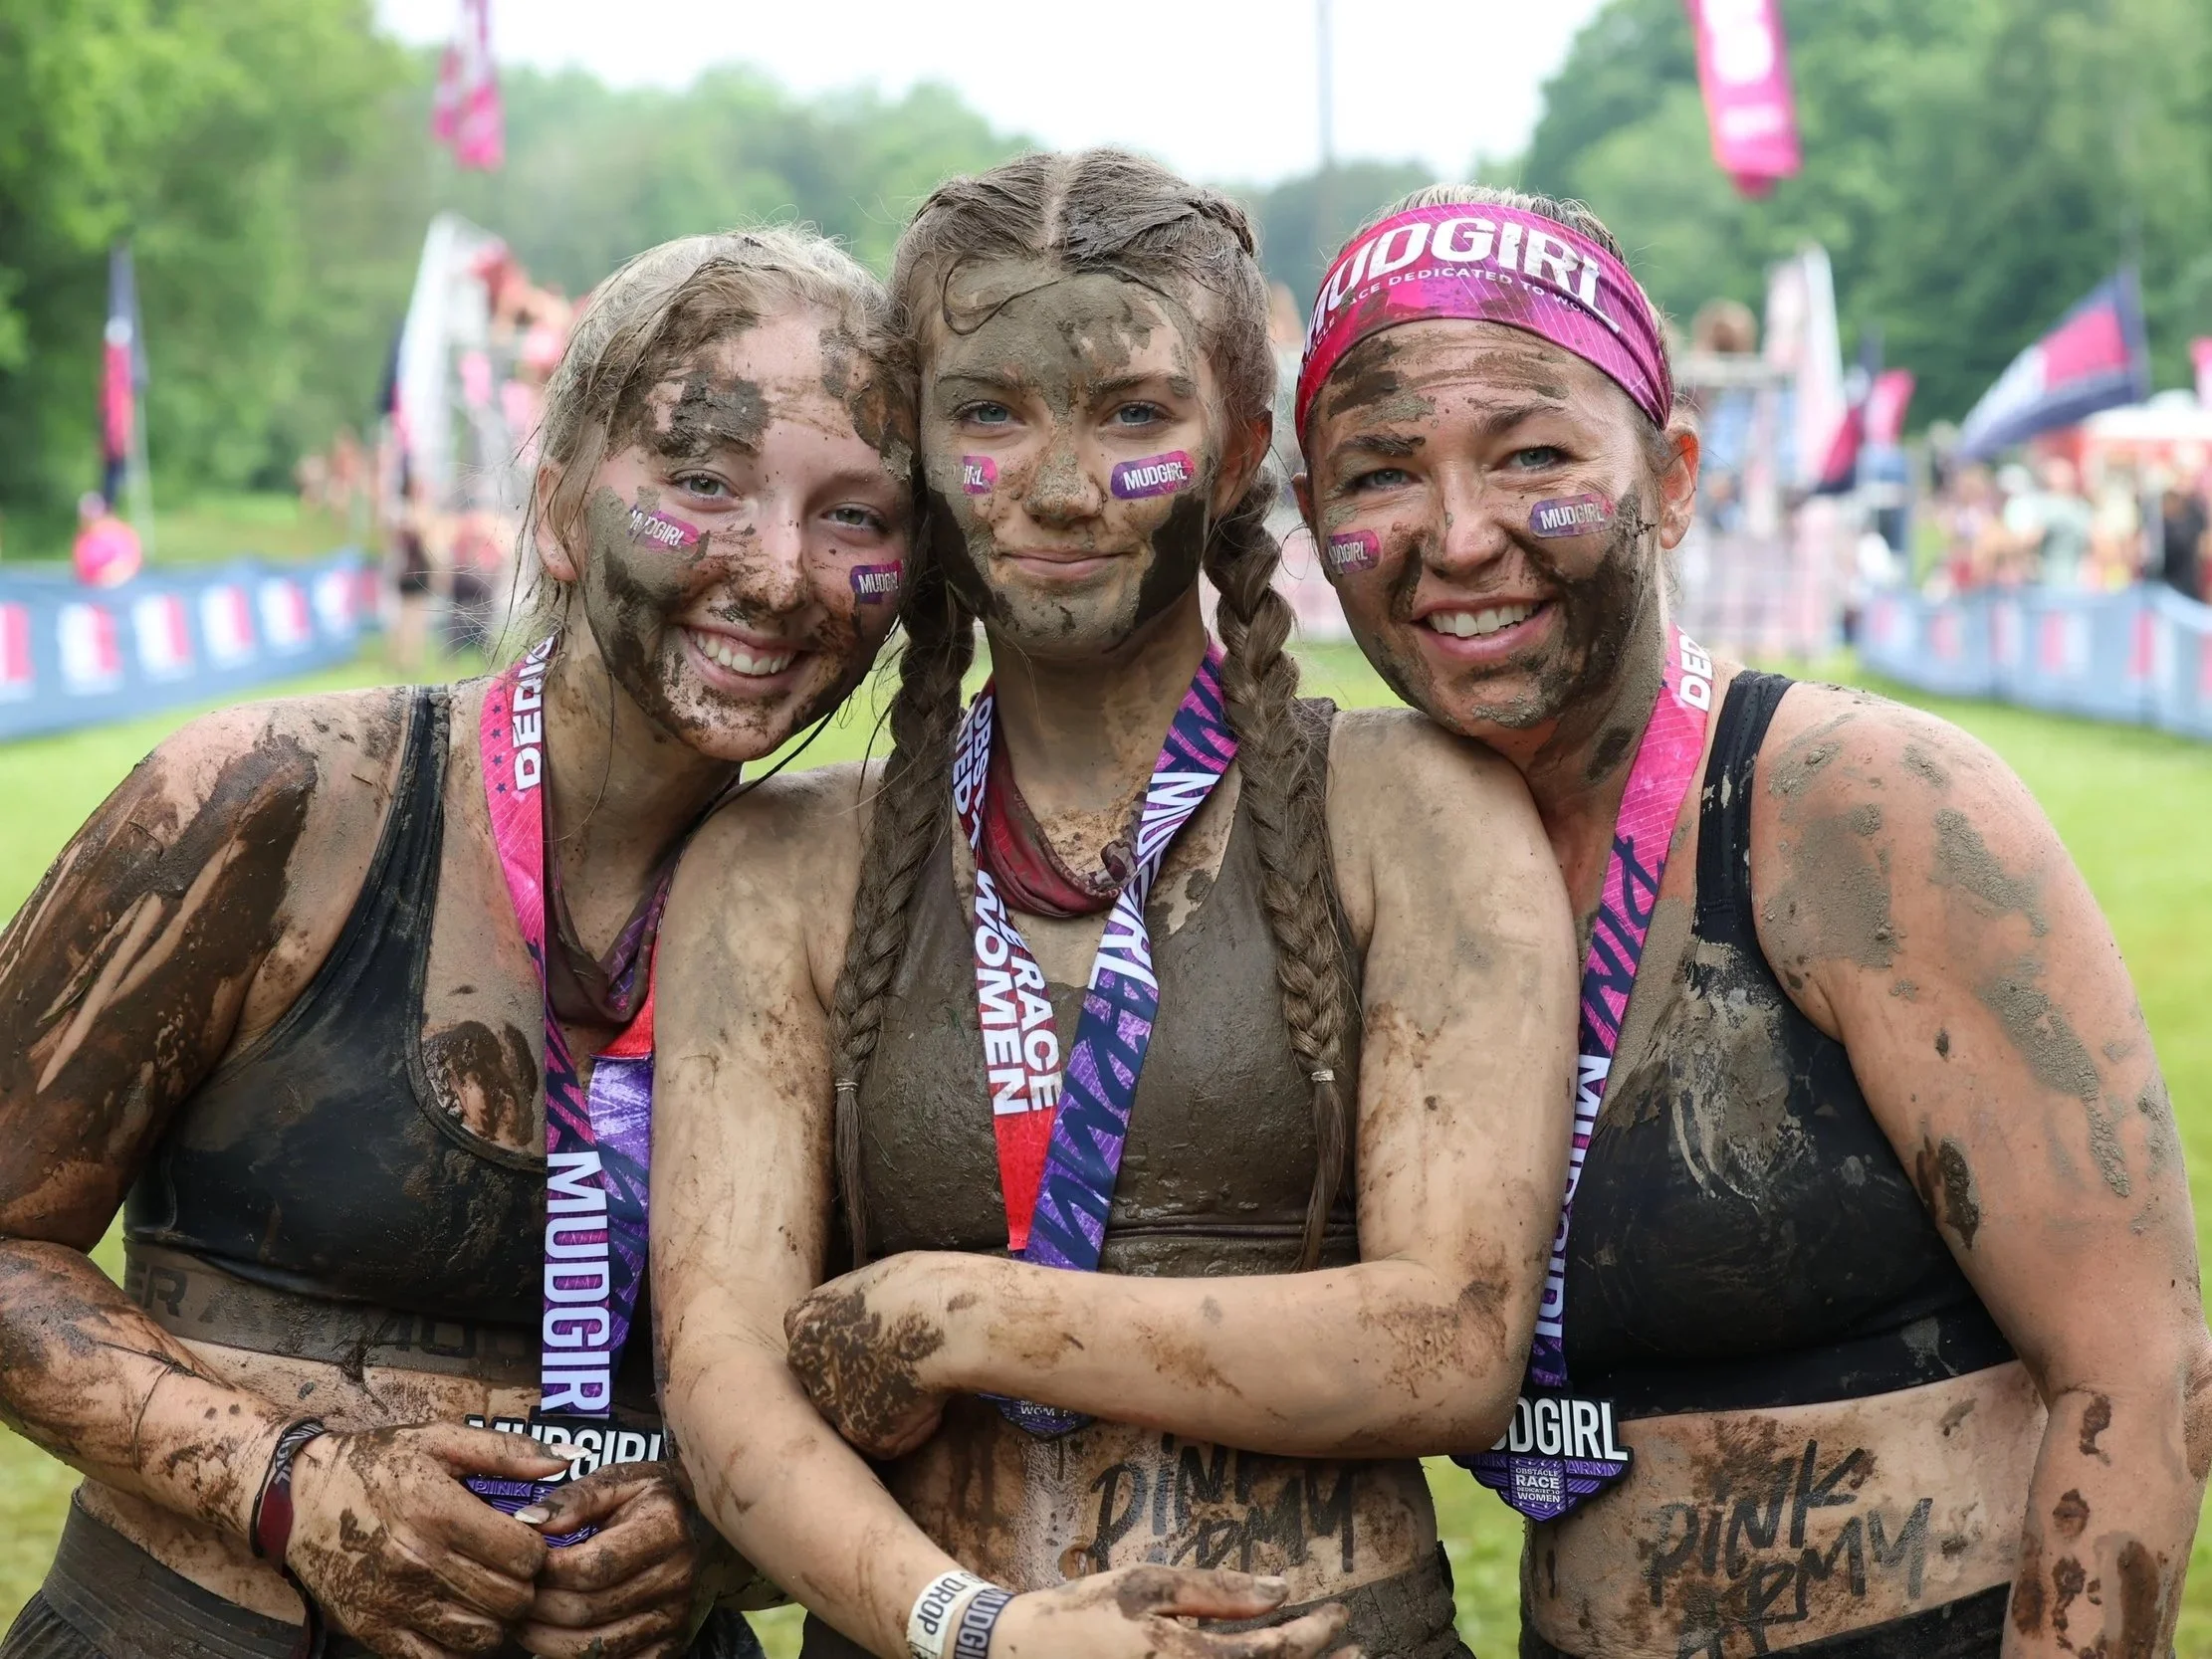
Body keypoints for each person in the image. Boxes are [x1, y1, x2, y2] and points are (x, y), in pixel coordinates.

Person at [652, 149, 1582, 1659]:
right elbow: (723, 1377)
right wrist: (980, 1627)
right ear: (919, 444)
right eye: (990, 413)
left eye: (1133, 414)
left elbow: (1451, 1343)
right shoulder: (775, 863)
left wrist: (965, 1313)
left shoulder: (1413, 811)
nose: (1064, 488)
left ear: (1236, 451)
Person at [1292, 184, 2212, 1659]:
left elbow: (2139, 1366)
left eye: (1532, 455)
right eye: (1380, 474)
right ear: (1312, 520)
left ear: (1670, 477)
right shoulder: (1351, 856)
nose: (1456, 537)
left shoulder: (1868, 807)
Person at [0, 227, 916, 1659]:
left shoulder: (884, 900)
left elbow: (924, 1370)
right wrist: (283, 1480)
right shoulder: (280, 801)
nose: (780, 569)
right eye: (703, 484)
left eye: (857, 513)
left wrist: (724, 1520)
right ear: (557, 506)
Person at [70, 493, 142, 589]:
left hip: (124, 587)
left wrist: (113, 572)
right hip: (95, 590)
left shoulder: (119, 531)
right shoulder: (83, 539)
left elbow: (132, 560)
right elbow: (81, 570)